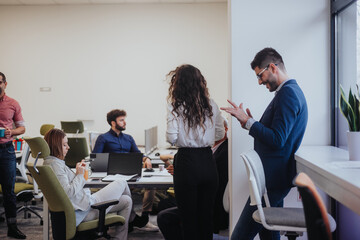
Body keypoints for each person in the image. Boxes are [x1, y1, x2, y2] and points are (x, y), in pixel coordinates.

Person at [221, 47, 308, 240]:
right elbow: (276, 135)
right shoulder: (287, 92)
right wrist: (250, 123)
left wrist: (250, 123)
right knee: (269, 235)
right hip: (273, 180)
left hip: (272, 181)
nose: (260, 82)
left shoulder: (288, 94)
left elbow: (278, 139)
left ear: (272, 67)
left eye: (260, 75)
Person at [166, 64, 225, 240]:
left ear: (178, 84)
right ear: (200, 82)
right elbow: (220, 133)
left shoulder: (175, 106)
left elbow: (171, 137)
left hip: (186, 162)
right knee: (206, 217)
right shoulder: (211, 105)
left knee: (188, 219)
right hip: (208, 161)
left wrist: (185, 137)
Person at [43, 128, 132, 240]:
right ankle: (136, 220)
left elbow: (65, 188)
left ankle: (119, 238)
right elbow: (67, 193)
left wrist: (77, 174)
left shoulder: (50, 163)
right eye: (65, 145)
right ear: (55, 146)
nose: (68, 147)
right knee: (122, 182)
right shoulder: (56, 166)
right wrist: (79, 175)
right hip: (84, 210)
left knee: (126, 201)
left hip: (83, 204)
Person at [92, 109, 158, 232]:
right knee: (122, 189)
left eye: (124, 120)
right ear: (113, 123)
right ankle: (132, 219)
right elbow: (96, 161)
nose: (124, 122)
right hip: (113, 177)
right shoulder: (103, 138)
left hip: (131, 174)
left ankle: (144, 217)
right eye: (121, 120)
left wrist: (146, 158)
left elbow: (137, 154)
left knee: (151, 185)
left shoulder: (128, 138)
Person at [0, 72, 26, 239]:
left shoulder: (13, 103)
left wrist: (12, 131)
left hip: (6, 150)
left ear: (5, 84)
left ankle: (12, 226)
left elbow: (22, 128)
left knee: (8, 190)